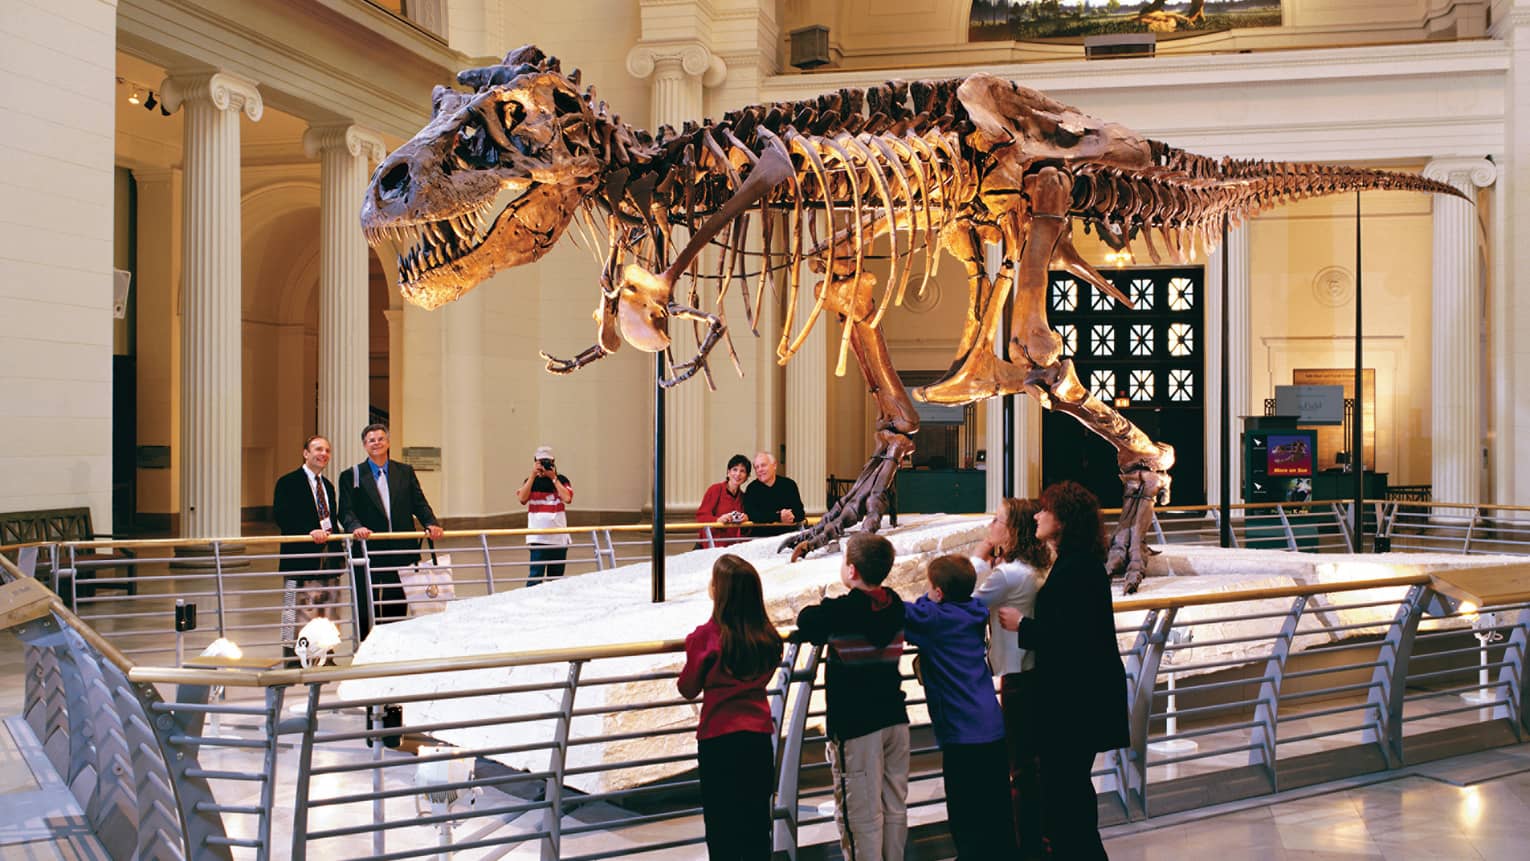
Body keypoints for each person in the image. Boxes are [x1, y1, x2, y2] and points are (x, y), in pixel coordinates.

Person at [998, 481, 1130, 861]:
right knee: (1069, 792)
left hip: (1076, 704)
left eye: (1045, 510)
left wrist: (1021, 626)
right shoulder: (1078, 564)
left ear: (1064, 520)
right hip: (1078, 701)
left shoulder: (1077, 569)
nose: (1037, 515)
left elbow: (1073, 637)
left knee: (1066, 796)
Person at [791, 532, 908, 861]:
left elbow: (807, 620)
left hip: (857, 726)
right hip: (895, 719)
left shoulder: (840, 612)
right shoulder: (895, 604)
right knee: (894, 809)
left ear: (852, 571)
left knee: (860, 817)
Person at [903, 554, 1016, 859]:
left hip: (962, 734)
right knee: (997, 811)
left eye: (930, 588)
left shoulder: (934, 620)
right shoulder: (975, 609)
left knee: (966, 816)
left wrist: (927, 601)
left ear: (939, 592)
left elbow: (902, 613)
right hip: (991, 725)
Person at [678, 554, 783, 860]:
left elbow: (688, 688)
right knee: (755, 826)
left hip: (718, 742)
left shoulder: (706, 639)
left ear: (718, 592)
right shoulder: (768, 639)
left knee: (723, 828)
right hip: (758, 739)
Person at [971, 497, 1052, 859]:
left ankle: (1026, 847)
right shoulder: (1034, 567)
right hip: (1035, 674)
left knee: (1020, 769)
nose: (991, 525)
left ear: (1012, 529)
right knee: (1031, 767)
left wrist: (981, 552)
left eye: (998, 520)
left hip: (1016, 677)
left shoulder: (1007, 574)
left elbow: (965, 601)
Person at [338, 423, 443, 642]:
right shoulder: (351, 475)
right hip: (369, 549)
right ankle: (367, 645)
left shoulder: (404, 472)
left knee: (398, 599)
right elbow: (345, 511)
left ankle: (391, 643)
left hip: (401, 549)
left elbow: (419, 503)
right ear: (364, 446)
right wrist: (355, 527)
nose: (376, 443)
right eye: (371, 440)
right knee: (366, 600)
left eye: (380, 439)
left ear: (388, 442)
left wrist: (430, 522)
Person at [272, 435, 343, 669]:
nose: (323, 454)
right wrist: (308, 531)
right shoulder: (288, 482)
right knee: (296, 611)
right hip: (300, 557)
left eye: (327, 450)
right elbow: (282, 515)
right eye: (317, 449)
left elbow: (331, 519)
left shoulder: (328, 486)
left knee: (328, 611)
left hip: (329, 558)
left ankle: (325, 656)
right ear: (305, 453)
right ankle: (293, 659)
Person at [517, 445, 573, 585]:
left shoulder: (562, 480)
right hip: (538, 538)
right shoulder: (530, 482)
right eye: (540, 462)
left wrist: (554, 478)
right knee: (535, 577)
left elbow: (567, 498)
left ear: (553, 463)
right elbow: (522, 499)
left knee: (556, 580)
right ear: (535, 462)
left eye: (547, 462)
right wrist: (532, 475)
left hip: (559, 538)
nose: (544, 465)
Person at [742, 451, 806, 538]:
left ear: (774, 465)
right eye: (756, 467)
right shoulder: (752, 489)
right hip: (760, 539)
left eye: (763, 465)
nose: (760, 470)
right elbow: (752, 515)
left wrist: (788, 516)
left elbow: (800, 513)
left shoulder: (789, 485)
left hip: (787, 538)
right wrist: (778, 516)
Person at [696, 454, 751, 548]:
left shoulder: (743, 497)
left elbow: (744, 531)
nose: (738, 474)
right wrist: (718, 520)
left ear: (746, 477)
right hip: (712, 546)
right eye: (735, 469)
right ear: (728, 472)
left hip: (732, 547)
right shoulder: (715, 490)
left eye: (742, 471)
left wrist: (745, 520)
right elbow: (701, 517)